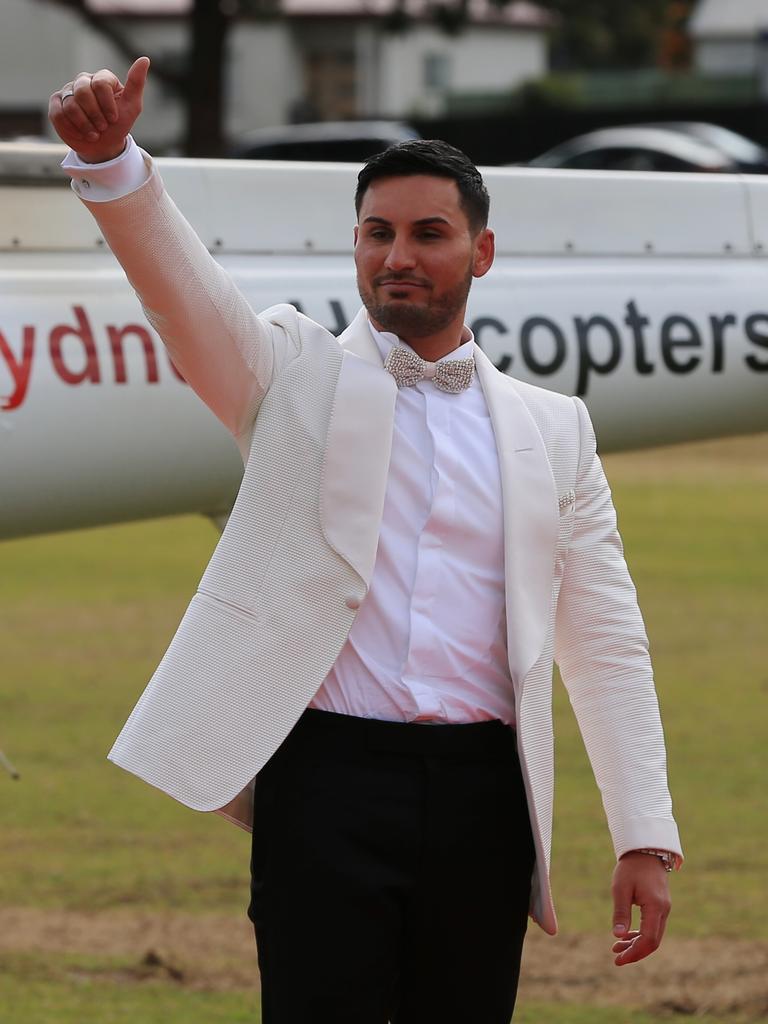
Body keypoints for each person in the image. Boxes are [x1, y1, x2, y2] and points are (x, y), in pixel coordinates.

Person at [49, 57, 683, 1023]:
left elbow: (607, 641)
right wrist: (115, 165)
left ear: (483, 252)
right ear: (353, 246)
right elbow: (186, 301)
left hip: (488, 797)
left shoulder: (557, 431)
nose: (398, 255)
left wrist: (645, 835)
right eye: (377, 233)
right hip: (324, 785)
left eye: (430, 234)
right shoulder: (292, 372)